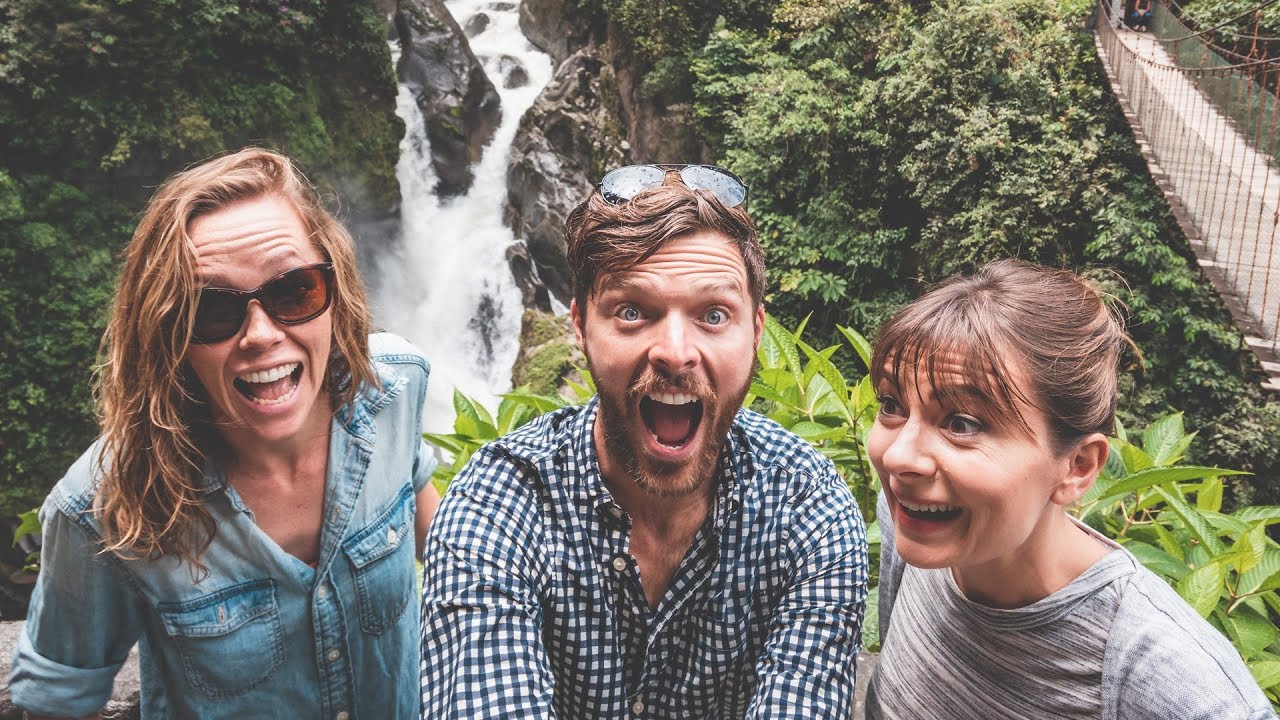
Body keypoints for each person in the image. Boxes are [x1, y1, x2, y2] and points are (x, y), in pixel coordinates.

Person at [419, 164, 869, 719]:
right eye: (633, 312)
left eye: (713, 314)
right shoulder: (496, 507)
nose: (675, 352)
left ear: (756, 332)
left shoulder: (808, 510)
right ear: (580, 325)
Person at [10, 147, 442, 718]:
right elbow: (56, 703)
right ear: (169, 335)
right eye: (211, 311)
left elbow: (443, 552)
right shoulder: (102, 506)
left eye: (295, 292)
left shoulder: (394, 391)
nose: (261, 335)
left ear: (335, 294)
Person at [865, 259, 1273, 719]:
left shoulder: (1164, 678)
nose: (899, 456)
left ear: (1077, 467)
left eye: (962, 424)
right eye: (891, 404)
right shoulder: (916, 522)